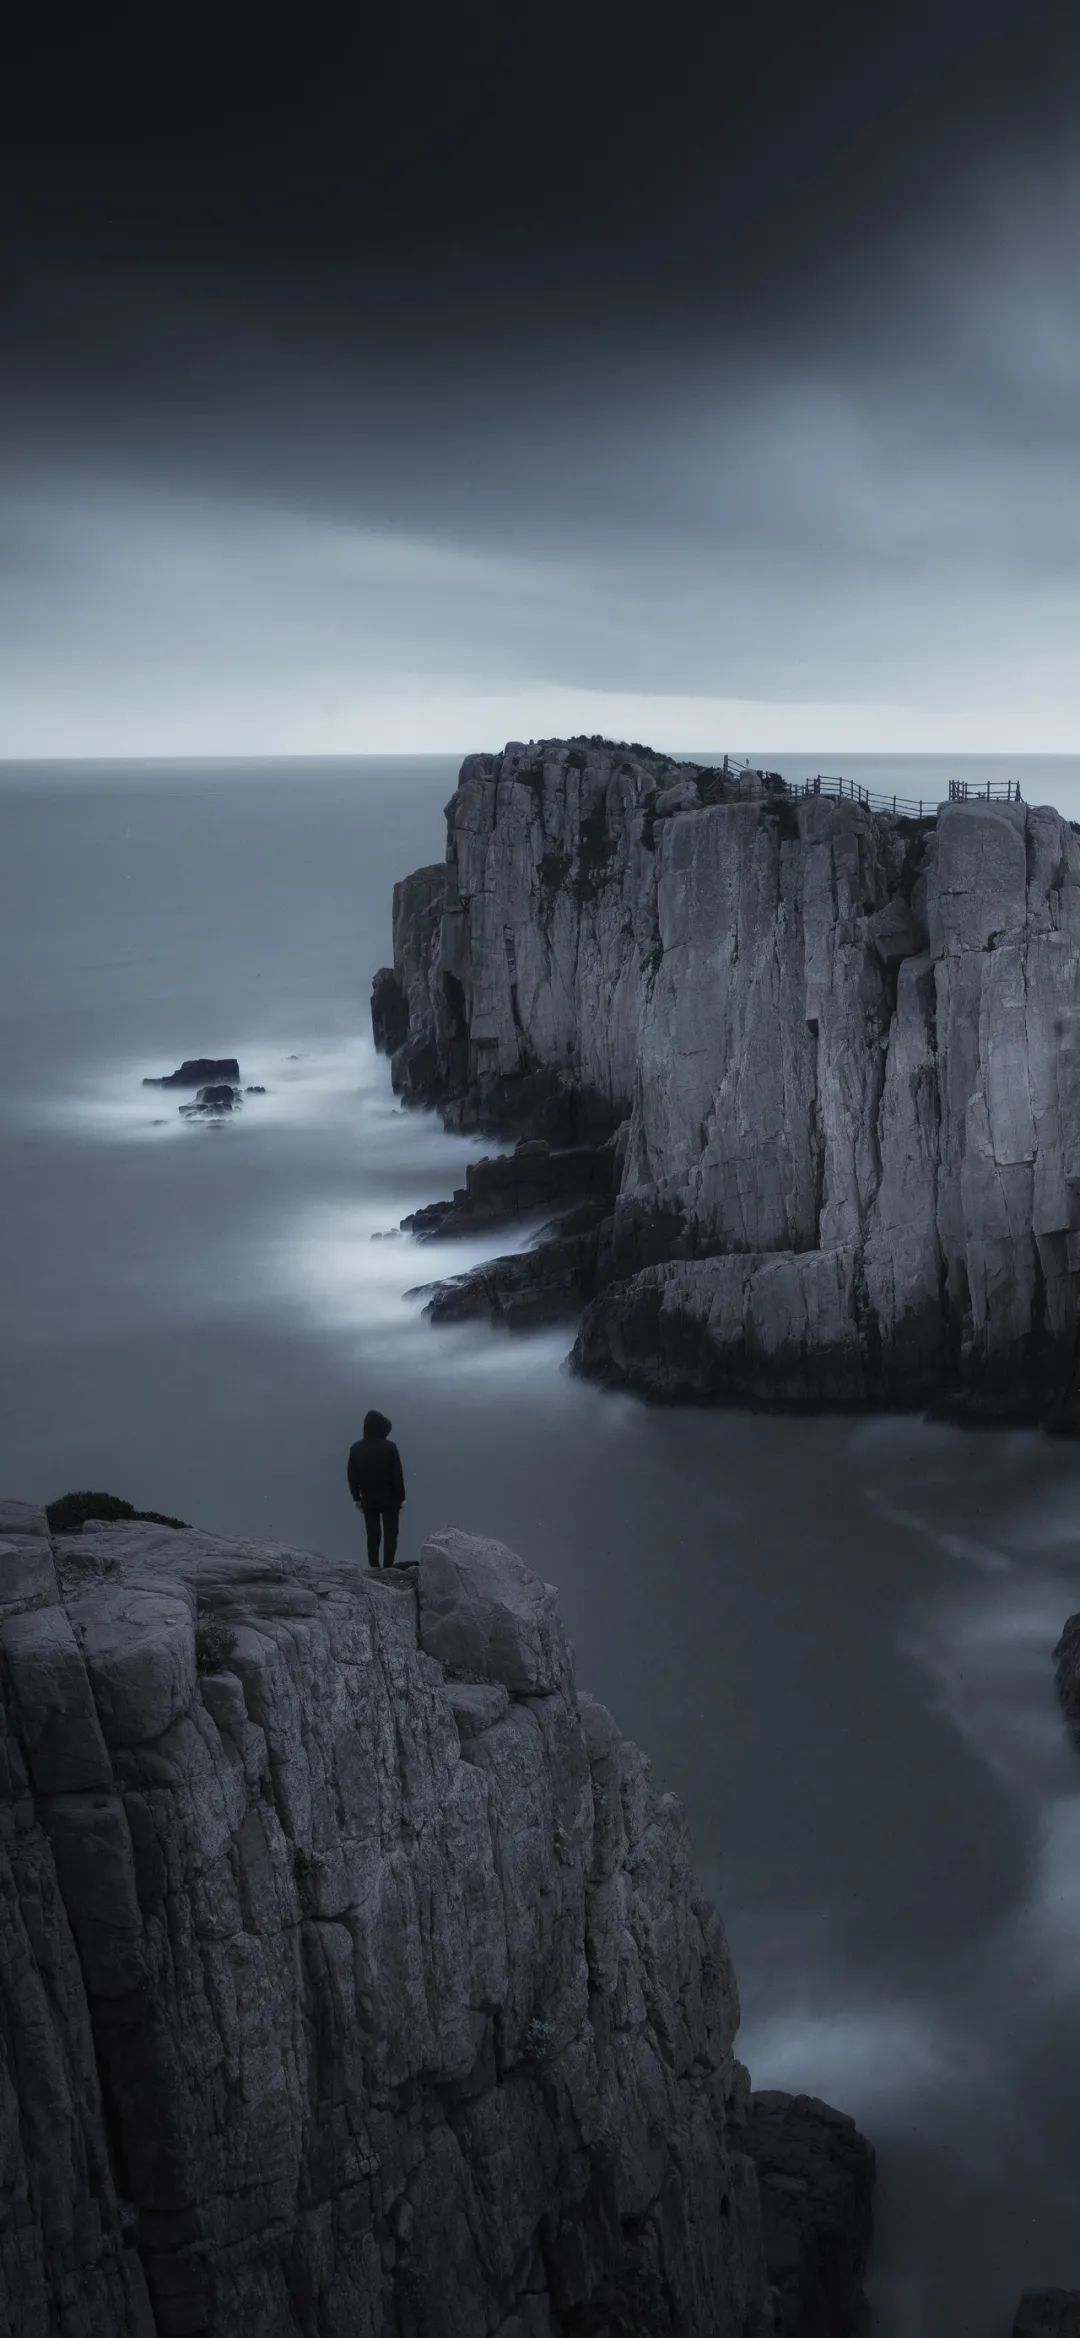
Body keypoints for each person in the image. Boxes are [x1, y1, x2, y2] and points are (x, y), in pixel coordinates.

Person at [347, 1409, 406, 1567]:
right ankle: (388, 1567)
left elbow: (352, 1476)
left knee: (372, 1534)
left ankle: (373, 1566)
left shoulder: (356, 1449)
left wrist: (356, 1498)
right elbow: (397, 1475)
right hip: (390, 1498)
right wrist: (401, 1497)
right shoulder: (390, 1447)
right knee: (390, 1534)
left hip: (368, 1498)